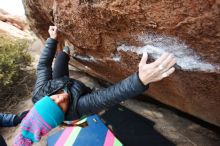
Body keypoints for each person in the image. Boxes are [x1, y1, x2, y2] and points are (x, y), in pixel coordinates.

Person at [14, 25, 176, 145]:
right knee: (78, 82)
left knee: (61, 58)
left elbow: (43, 66)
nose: (61, 98)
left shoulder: (40, 92)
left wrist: (52, 39)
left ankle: (66, 51)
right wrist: (140, 80)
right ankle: (67, 53)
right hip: (77, 91)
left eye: (53, 99)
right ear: (62, 116)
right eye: (60, 106)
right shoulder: (78, 108)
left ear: (43, 99)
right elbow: (109, 96)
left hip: (59, 81)